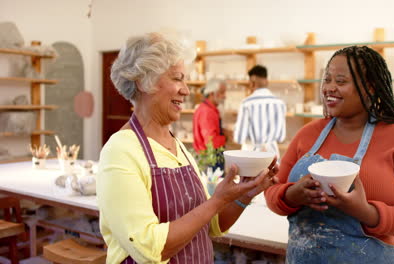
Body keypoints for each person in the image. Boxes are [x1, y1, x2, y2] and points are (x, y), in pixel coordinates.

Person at [96, 32, 279, 264]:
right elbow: (150, 248)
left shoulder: (178, 147)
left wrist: (246, 192)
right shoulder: (121, 151)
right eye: (177, 79)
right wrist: (217, 200)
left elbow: (211, 225)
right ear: (144, 81)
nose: (186, 90)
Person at [264, 46, 394, 263]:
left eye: (341, 81)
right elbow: (273, 192)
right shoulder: (308, 134)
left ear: (370, 88)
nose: (329, 88)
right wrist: (292, 195)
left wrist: (366, 211)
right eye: (327, 80)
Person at [233, 65, 286, 159]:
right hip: (272, 155)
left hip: (251, 155)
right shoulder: (279, 103)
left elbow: (239, 138)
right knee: (271, 174)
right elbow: (281, 137)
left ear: (252, 82)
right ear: (267, 81)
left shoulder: (246, 103)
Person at [192, 78, 227, 172]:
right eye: (222, 93)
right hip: (209, 159)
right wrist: (226, 137)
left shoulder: (208, 109)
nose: (225, 96)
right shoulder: (207, 112)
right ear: (212, 93)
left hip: (208, 157)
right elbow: (210, 142)